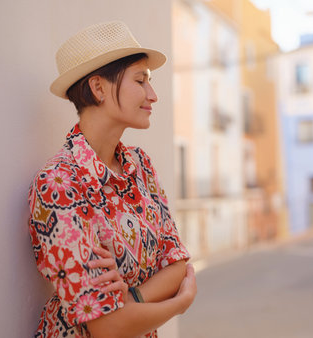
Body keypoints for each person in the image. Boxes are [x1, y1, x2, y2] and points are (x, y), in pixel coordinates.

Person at [28, 21, 197, 338]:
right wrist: (180, 303)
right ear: (98, 88)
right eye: (140, 80)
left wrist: (132, 299)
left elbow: (177, 264)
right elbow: (105, 326)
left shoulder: (141, 166)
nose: (153, 95)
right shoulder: (59, 183)